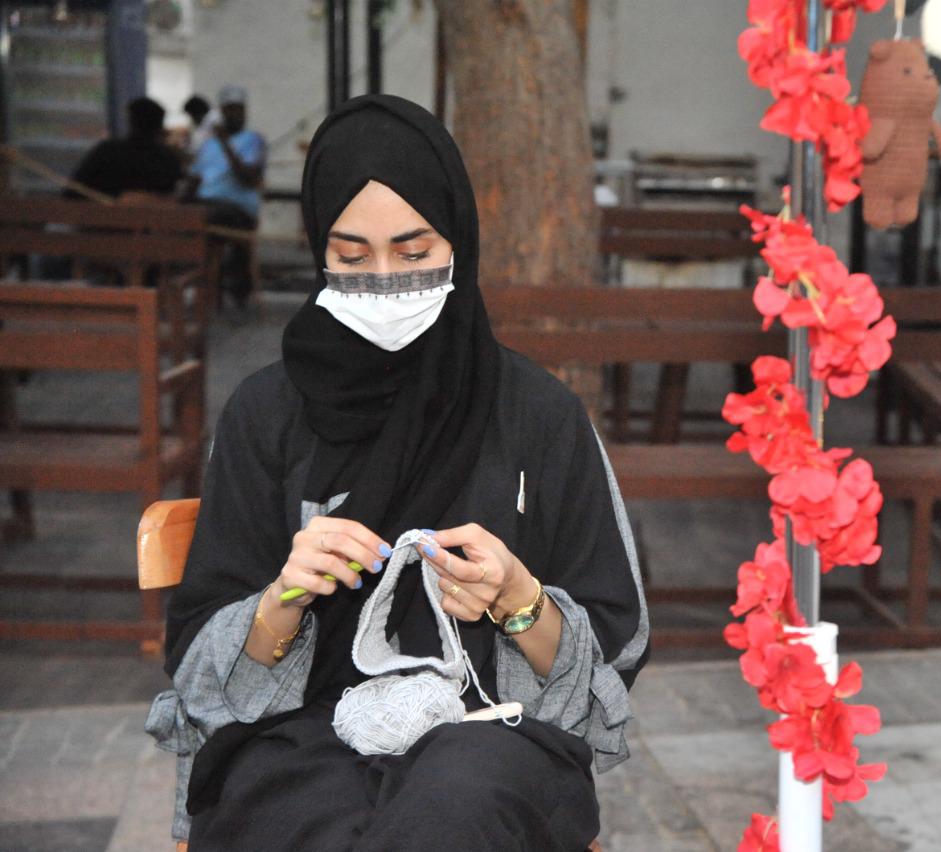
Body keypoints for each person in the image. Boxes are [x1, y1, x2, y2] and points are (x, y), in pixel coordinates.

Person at [146, 94, 649, 851]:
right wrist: (283, 599)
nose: (383, 280)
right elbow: (200, 664)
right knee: (293, 816)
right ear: (319, 249)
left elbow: (615, 645)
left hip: (491, 736)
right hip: (299, 730)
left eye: (414, 254)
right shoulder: (266, 413)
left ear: (460, 244)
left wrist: (519, 601)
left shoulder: (537, 414)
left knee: (454, 812)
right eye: (352, 257)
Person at [190, 85, 267, 305]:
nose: (235, 114)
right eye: (229, 109)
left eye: (239, 109)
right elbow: (195, 179)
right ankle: (184, 285)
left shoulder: (253, 140)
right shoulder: (208, 145)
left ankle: (223, 287)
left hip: (237, 211)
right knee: (178, 216)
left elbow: (248, 177)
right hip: (205, 206)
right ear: (221, 112)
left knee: (203, 216)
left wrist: (226, 144)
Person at [68, 96, 183, 198]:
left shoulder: (107, 152)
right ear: (160, 126)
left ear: (131, 121)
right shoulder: (166, 158)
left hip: (102, 220)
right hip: (153, 221)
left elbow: (73, 191)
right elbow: (177, 197)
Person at [182, 94, 220, 160]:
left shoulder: (213, 119)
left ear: (195, 113)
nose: (191, 119)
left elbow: (199, 145)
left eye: (190, 115)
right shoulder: (204, 122)